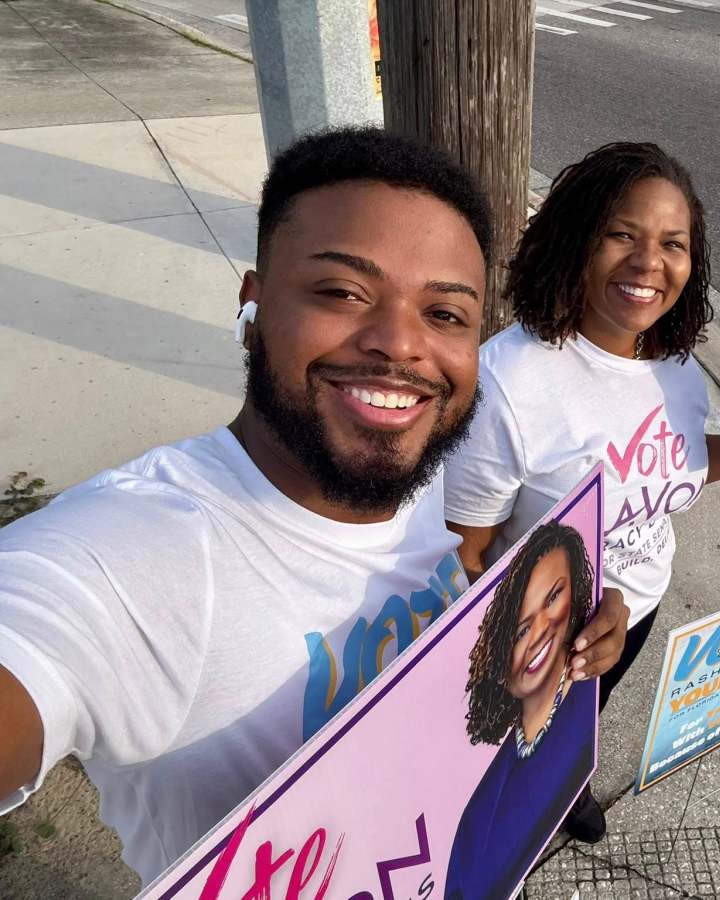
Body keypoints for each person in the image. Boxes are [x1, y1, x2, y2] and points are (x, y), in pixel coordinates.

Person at [0, 127, 627, 886]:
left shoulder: (413, 471)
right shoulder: (137, 556)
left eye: (445, 314)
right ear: (254, 304)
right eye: (342, 292)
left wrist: (567, 631)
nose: (400, 344)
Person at [442, 142, 720, 841]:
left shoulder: (675, 369)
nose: (649, 263)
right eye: (622, 235)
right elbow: (462, 556)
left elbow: (677, 464)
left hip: (638, 608)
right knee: (498, 770)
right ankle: (503, 838)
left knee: (578, 727)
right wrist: (535, 638)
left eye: (672, 244)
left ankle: (567, 784)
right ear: (576, 239)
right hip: (538, 640)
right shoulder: (510, 383)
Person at [445, 522, 597, 900]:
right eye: (521, 630)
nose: (541, 629)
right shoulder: (478, 782)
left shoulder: (577, 720)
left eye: (553, 597)